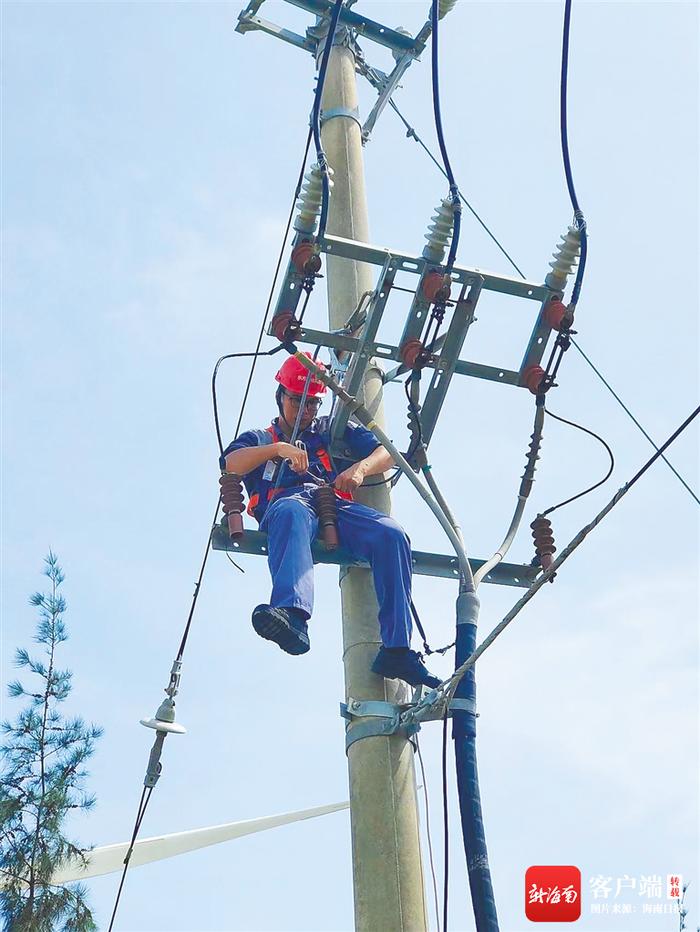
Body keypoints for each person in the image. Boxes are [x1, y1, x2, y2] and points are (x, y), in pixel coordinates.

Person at [221, 353, 441, 689]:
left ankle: (397, 648)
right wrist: (279, 449)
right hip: (289, 506)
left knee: (391, 534)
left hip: (333, 507)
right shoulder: (261, 439)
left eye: (313, 404)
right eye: (298, 401)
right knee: (292, 511)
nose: (306, 411)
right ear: (281, 396)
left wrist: (358, 470)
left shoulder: (328, 430)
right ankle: (292, 615)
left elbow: (387, 453)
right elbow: (231, 463)